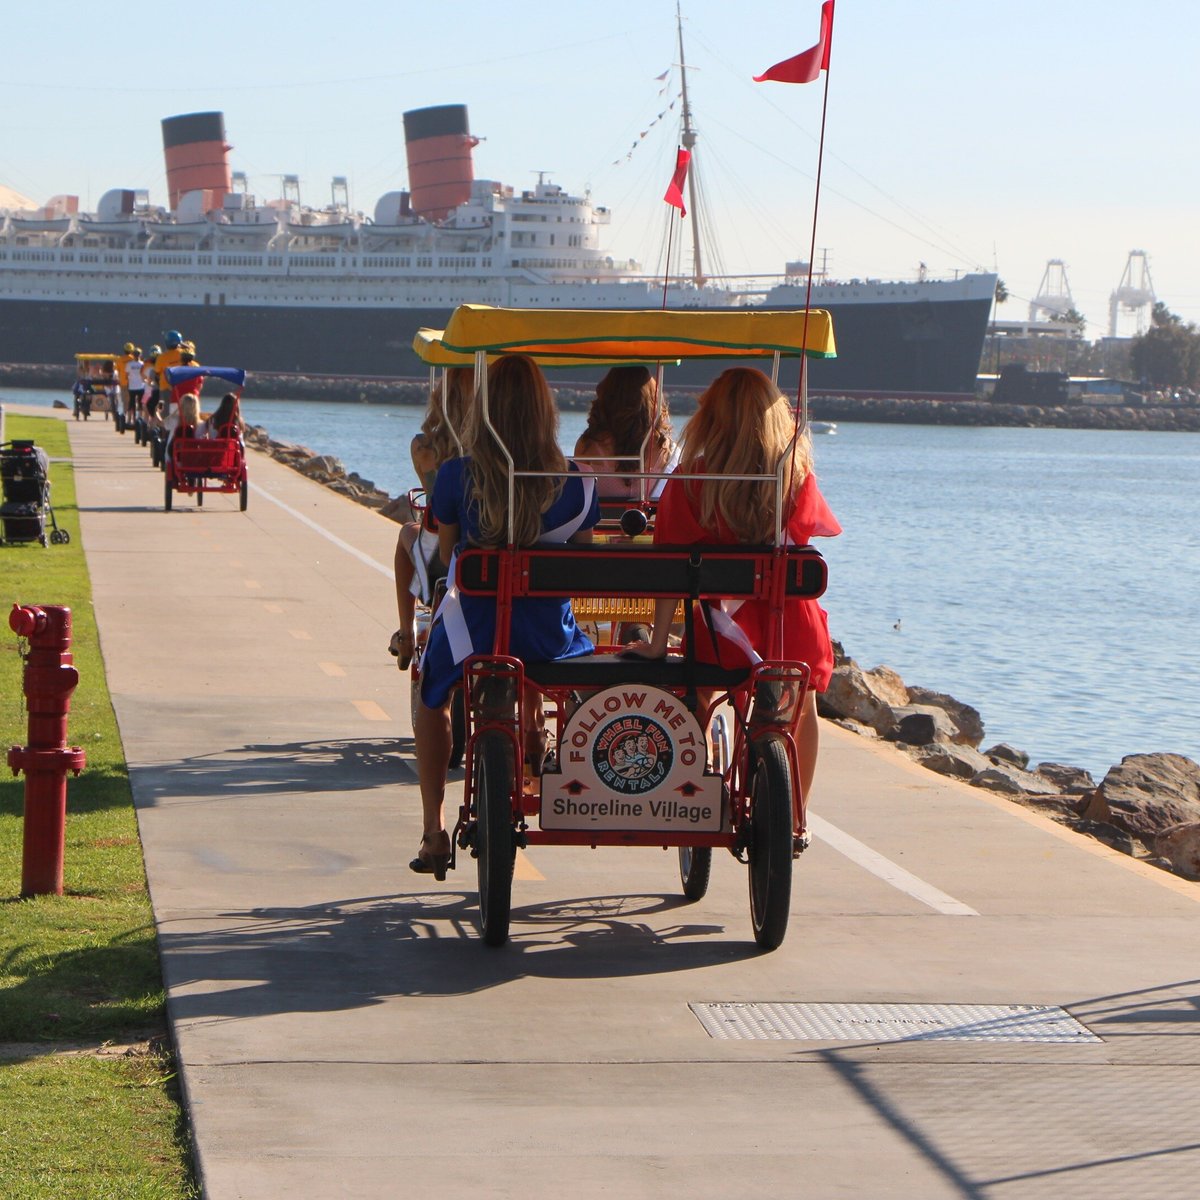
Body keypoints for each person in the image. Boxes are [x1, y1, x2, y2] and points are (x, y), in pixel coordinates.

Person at [411, 354, 599, 879]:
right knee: (551, 621)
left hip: (474, 634)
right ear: (547, 410)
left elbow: (449, 562)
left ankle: (432, 830)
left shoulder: (454, 477)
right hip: (547, 640)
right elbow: (579, 570)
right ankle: (538, 737)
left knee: (429, 696)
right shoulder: (578, 483)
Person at [623, 367, 841, 805]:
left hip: (725, 634)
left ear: (712, 419)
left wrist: (658, 641)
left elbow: (670, 570)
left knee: (700, 693)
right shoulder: (796, 479)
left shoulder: (692, 481)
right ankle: (796, 814)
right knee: (804, 705)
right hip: (791, 626)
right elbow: (809, 533)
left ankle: (691, 794)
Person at [389, 367, 473, 670]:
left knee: (406, 532)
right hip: (484, 551)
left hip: (443, 560)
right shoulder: (496, 448)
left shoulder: (424, 448)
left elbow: (435, 500)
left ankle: (406, 632)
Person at [573, 366, 677, 500]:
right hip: (651, 520)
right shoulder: (668, 450)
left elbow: (579, 497)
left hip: (601, 521)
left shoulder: (587, 446)